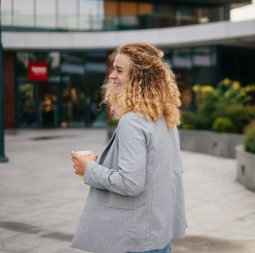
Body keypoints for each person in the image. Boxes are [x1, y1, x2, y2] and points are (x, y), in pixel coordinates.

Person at [70, 43, 187, 253]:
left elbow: (131, 183)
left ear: (139, 78)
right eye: (113, 68)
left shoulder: (132, 122)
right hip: (159, 234)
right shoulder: (164, 118)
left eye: (119, 70)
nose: (112, 75)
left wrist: (89, 168)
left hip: (136, 239)